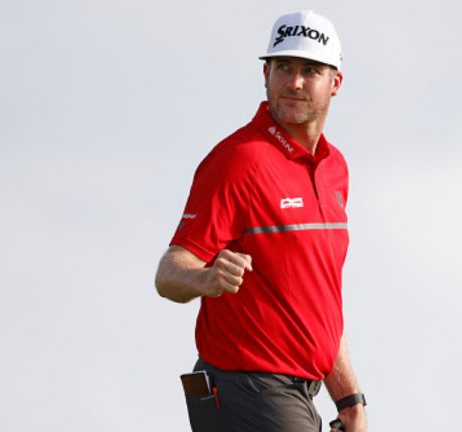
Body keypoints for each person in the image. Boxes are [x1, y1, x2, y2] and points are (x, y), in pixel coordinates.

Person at [155, 10, 367, 432]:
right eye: (283, 67)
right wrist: (206, 278)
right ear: (266, 74)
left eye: (310, 70)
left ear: (335, 83)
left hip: (296, 395)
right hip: (246, 387)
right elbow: (169, 273)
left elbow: (318, 300)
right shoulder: (239, 160)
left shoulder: (335, 170)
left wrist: (347, 398)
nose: (294, 82)